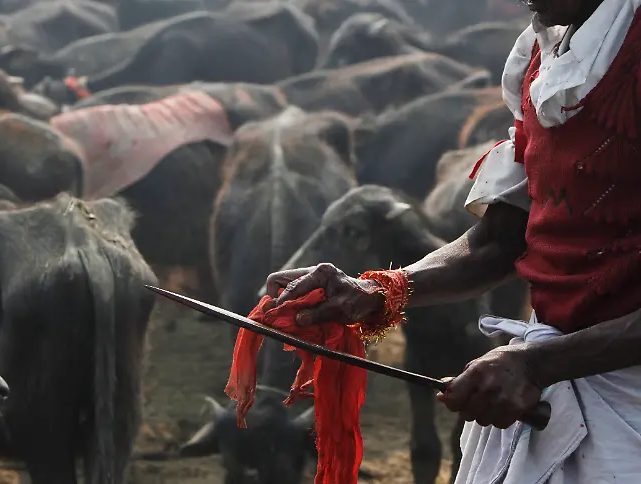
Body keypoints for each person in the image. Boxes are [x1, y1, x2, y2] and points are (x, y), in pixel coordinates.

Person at [264, 0, 641, 481]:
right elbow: (501, 240)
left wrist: (540, 362)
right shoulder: (539, 56)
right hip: (556, 382)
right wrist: (380, 289)